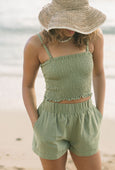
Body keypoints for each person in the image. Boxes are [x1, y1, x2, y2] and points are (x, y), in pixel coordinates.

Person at [22, 0, 106, 169]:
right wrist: (36, 124)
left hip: (86, 119)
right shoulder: (36, 44)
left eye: (77, 19)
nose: (72, 26)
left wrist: (99, 112)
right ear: (55, 17)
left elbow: (98, 73)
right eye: (67, 20)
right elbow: (27, 86)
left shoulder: (94, 37)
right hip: (50, 122)